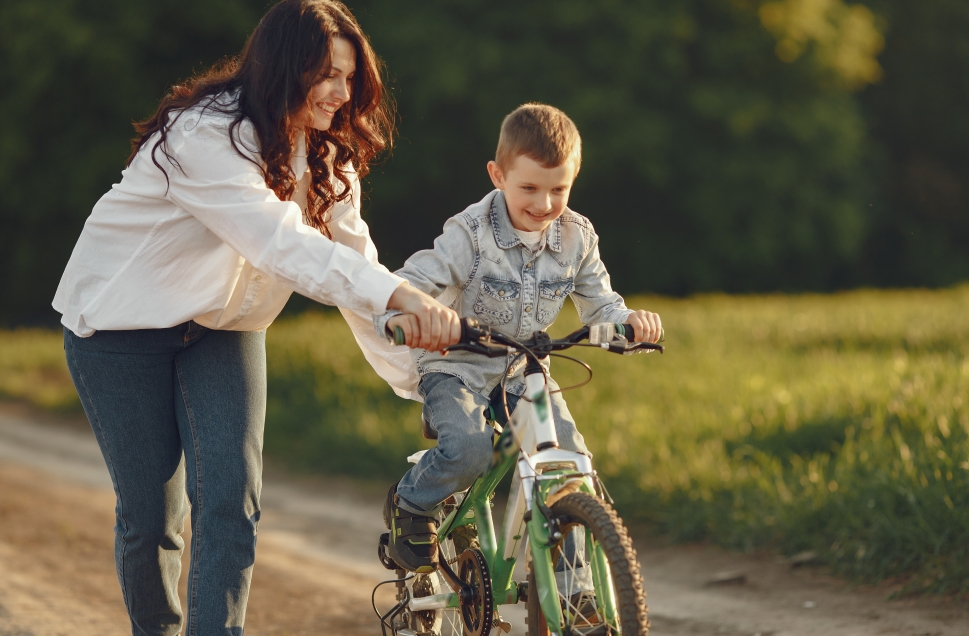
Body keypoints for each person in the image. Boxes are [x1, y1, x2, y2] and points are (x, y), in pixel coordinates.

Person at [53, 1, 459, 633]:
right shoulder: (204, 134)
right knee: (152, 516)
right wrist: (401, 297)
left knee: (230, 504)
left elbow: (354, 268)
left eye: (349, 78)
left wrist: (420, 378)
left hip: (223, 330)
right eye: (326, 74)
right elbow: (282, 244)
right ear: (283, 67)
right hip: (119, 328)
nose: (340, 93)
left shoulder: (327, 157)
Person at [373, 103, 662, 573]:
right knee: (470, 450)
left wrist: (631, 323)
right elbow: (411, 282)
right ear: (497, 175)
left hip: (524, 370)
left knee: (568, 462)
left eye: (558, 189)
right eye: (529, 187)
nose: (544, 204)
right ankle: (412, 501)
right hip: (456, 365)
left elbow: (602, 304)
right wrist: (402, 316)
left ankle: (574, 589)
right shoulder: (469, 234)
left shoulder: (577, 238)